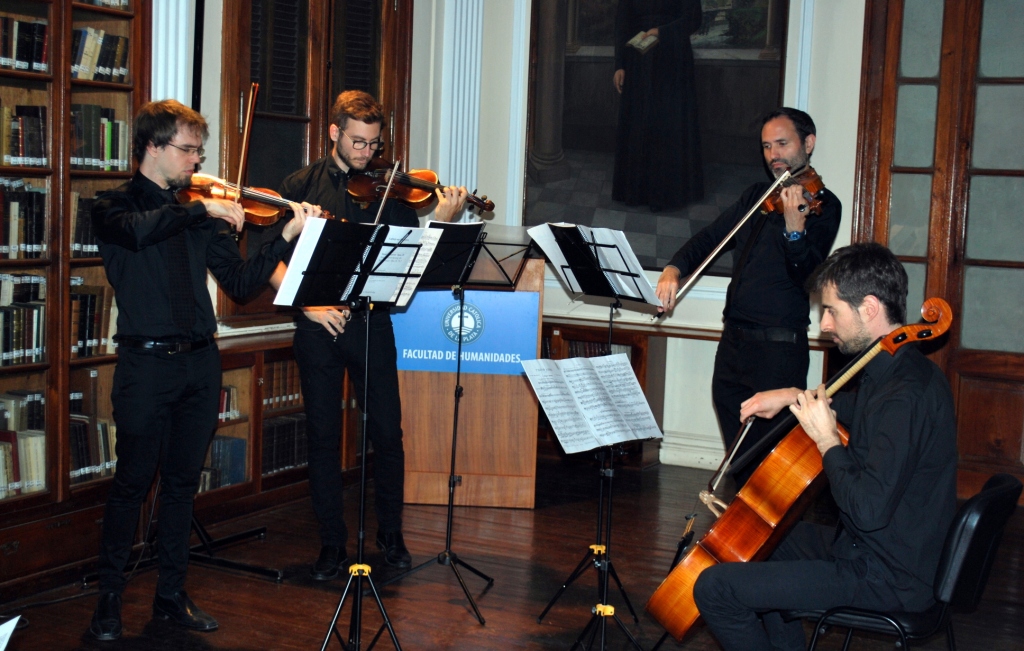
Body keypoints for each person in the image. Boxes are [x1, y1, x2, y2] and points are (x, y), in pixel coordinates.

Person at [87, 100, 313, 641]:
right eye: (188, 150)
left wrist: (285, 237)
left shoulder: (199, 212)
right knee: (132, 483)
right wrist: (201, 211)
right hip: (145, 365)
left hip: (199, 363)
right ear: (153, 148)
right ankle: (108, 603)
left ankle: (169, 596)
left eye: (198, 151)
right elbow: (140, 233)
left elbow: (237, 282)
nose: (196, 160)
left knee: (183, 486)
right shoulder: (111, 206)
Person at [691, 242, 958, 650]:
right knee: (767, 539)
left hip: (887, 575)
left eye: (832, 310)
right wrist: (791, 395)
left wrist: (827, 439)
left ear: (869, 308)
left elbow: (868, 510)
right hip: (878, 549)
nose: (824, 325)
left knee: (715, 589)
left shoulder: (904, 396)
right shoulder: (902, 372)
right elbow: (857, 407)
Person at [270, 90, 468, 581]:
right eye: (358, 143)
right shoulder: (299, 185)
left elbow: (410, 267)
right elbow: (269, 262)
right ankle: (331, 544)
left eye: (375, 145)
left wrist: (439, 223)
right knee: (321, 437)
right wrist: (309, 306)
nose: (367, 155)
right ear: (334, 133)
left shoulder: (389, 192)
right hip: (317, 326)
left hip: (371, 321)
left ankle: (391, 534)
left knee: (387, 433)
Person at [655, 107, 841, 485]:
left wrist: (794, 230)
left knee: (767, 464)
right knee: (737, 462)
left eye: (783, 144)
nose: (774, 155)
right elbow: (711, 237)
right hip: (733, 346)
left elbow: (808, 274)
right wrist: (675, 267)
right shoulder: (757, 197)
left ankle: (766, 539)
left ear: (808, 143)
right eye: (767, 146)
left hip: (777, 352)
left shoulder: (824, 206)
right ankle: (738, 532)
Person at [612, 0, 704, 211]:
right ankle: (636, 192)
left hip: (673, 59)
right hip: (638, 61)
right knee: (640, 121)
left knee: (668, 123)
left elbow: (693, 19)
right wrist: (619, 65)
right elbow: (622, 25)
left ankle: (667, 194)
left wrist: (661, 31)